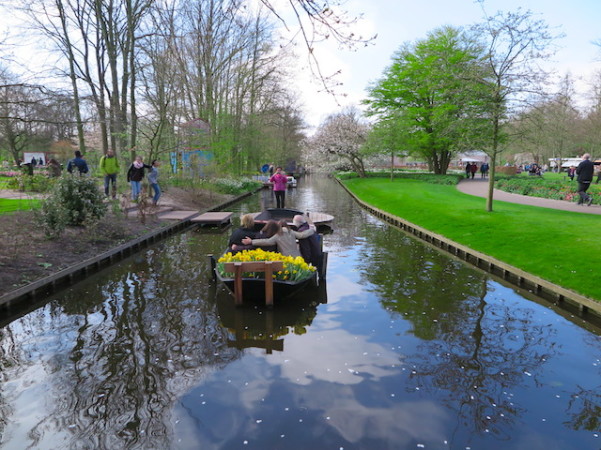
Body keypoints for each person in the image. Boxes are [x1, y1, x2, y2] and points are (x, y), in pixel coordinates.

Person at [242, 219, 315, 258]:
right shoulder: (291, 232)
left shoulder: (278, 235)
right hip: (297, 256)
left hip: (286, 258)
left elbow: (267, 241)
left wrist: (251, 241)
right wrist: (312, 230)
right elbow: (302, 235)